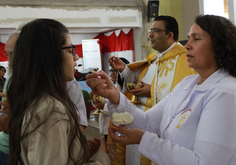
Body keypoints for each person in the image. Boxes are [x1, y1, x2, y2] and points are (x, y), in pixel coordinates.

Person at [86, 14, 236, 165]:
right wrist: (115, 97)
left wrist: (144, 139)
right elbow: (149, 122)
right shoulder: (187, 83)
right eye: (189, 38)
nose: (187, 45)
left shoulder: (225, 93)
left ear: (219, 47)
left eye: (196, 39)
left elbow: (203, 162)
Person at [6, 19, 114, 165]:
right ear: (49, 56)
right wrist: (101, 158)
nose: (76, 57)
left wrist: (77, 152)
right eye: (70, 51)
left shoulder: (38, 99)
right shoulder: (51, 110)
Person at [109, 15, 195, 165]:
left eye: (155, 30)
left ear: (170, 35)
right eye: (150, 30)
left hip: (155, 125)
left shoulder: (183, 59)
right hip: (138, 120)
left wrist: (152, 91)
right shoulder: (153, 59)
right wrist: (124, 70)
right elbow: (136, 82)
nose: (150, 35)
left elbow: (185, 96)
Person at [0, 32, 19, 165]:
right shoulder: (13, 78)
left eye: (15, 53)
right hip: (9, 149)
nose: (10, 61)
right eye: (7, 54)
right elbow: (6, 126)